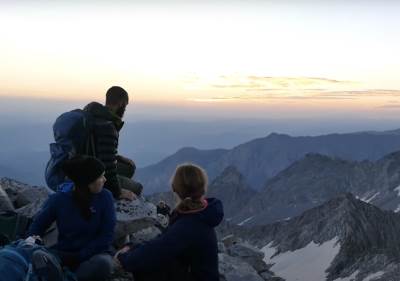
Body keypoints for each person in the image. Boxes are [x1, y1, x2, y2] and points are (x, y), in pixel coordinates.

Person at [115, 163, 224, 281]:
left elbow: (155, 251)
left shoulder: (188, 224)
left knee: (148, 268)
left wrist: (123, 258)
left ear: (175, 189)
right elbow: (161, 242)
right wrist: (133, 248)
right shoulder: (198, 213)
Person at [28, 156, 116, 281]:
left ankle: (63, 277)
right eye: (100, 176)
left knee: (104, 264)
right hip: (64, 254)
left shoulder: (105, 197)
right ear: (87, 181)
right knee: (41, 256)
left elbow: (107, 235)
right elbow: (38, 225)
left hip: (94, 254)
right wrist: (32, 241)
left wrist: (81, 255)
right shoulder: (59, 199)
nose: (104, 179)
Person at [84, 86, 143, 200]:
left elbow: (100, 149)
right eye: (125, 106)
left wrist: (119, 158)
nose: (125, 110)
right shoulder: (107, 126)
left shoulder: (95, 116)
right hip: (93, 175)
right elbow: (108, 168)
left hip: (87, 164)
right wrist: (118, 191)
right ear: (121, 104)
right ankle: (106, 194)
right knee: (138, 188)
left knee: (129, 167)